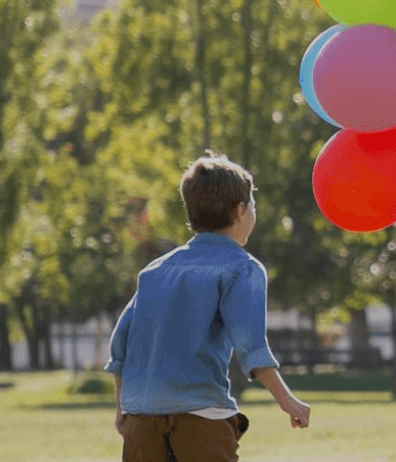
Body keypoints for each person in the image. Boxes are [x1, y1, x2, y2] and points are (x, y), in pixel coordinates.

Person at [105, 153, 312, 462]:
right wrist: (288, 400)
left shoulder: (154, 271)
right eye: (252, 205)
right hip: (201, 418)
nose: (253, 212)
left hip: (141, 418)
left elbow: (120, 342)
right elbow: (250, 345)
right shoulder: (242, 268)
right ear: (240, 211)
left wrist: (123, 403)